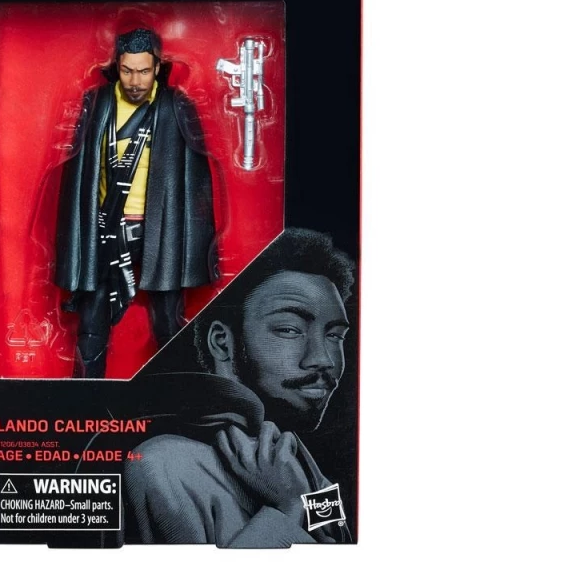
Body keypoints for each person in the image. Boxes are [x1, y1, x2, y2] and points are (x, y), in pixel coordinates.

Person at [122, 228, 354, 546]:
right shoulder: (164, 465)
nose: (324, 359)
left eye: (335, 335)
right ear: (222, 342)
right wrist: (287, 509)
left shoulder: (301, 464)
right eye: (289, 329)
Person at [54, 28, 217, 378]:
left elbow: (196, 180)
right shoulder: (98, 103)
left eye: (143, 71)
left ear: (157, 67)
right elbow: (78, 173)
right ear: (117, 66)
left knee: (169, 324)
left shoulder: (174, 106)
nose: (135, 81)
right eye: (128, 70)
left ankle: (180, 396)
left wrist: (201, 246)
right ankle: (84, 398)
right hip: (106, 227)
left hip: (159, 228)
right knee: (91, 326)